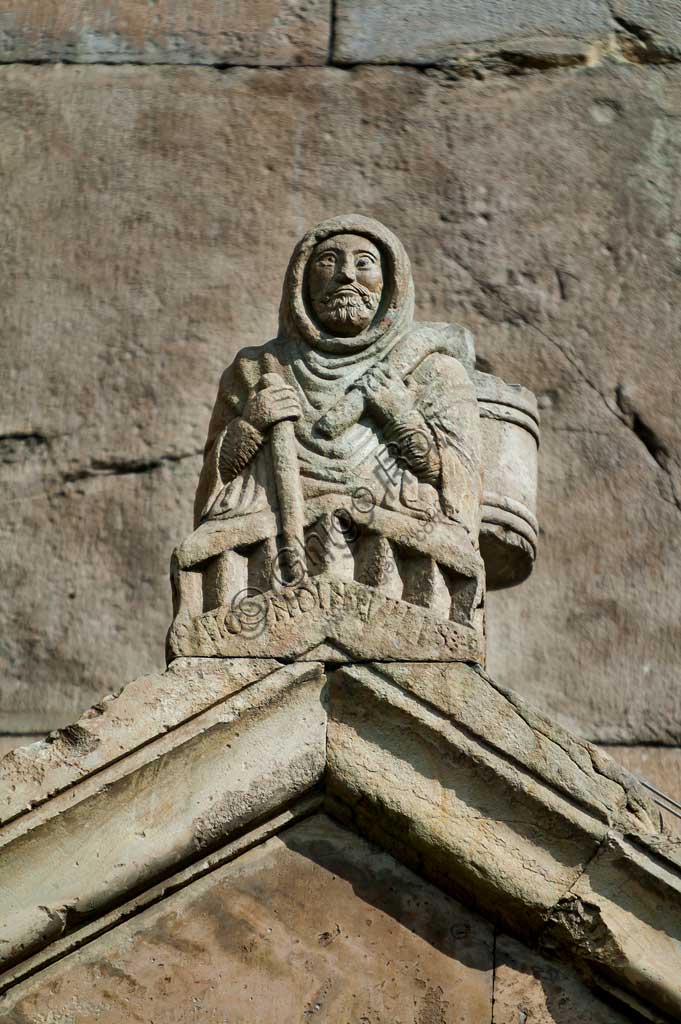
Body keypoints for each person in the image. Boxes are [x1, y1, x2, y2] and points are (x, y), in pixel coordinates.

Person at [172, 215, 484, 632]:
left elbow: (455, 487)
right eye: (328, 262)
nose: (344, 276)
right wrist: (252, 425)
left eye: (364, 263)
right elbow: (215, 488)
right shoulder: (256, 369)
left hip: (394, 549)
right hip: (272, 552)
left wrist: (400, 414)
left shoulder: (434, 374)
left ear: (390, 282)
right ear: (302, 281)